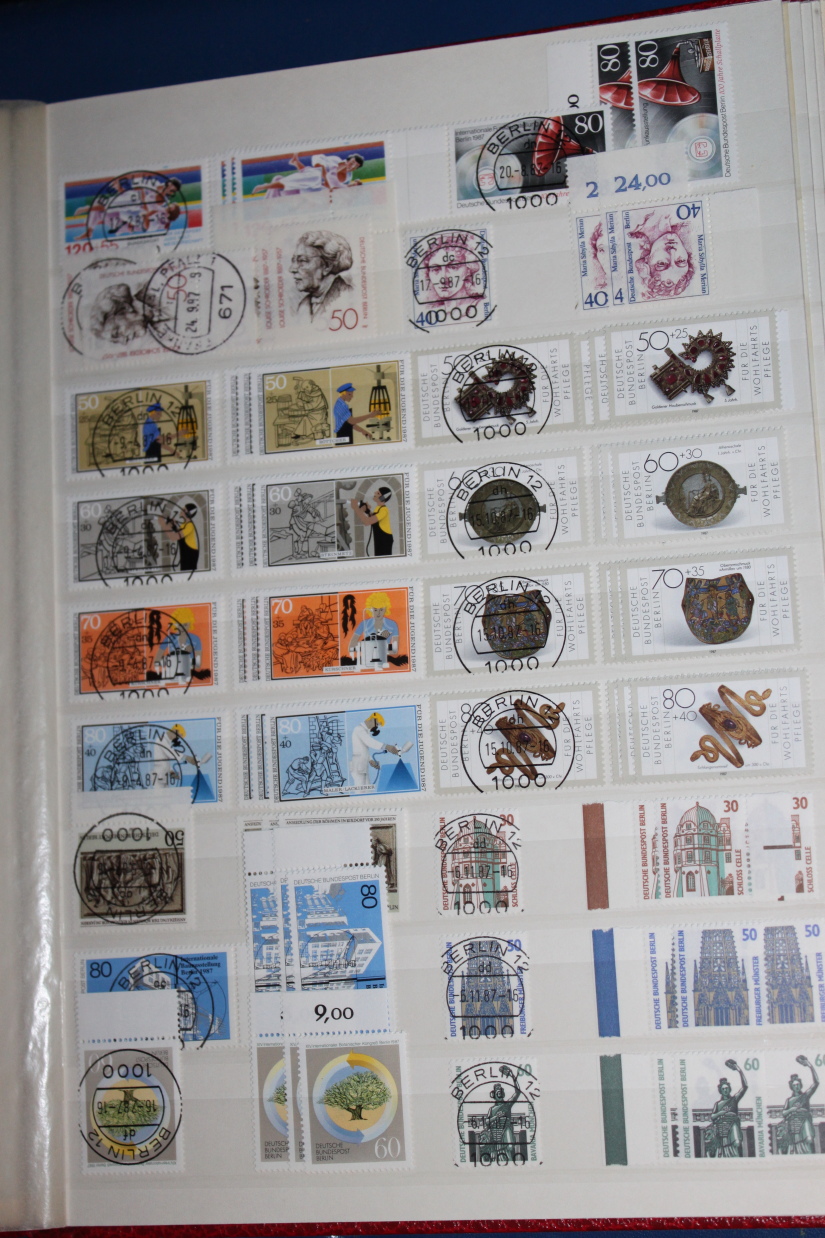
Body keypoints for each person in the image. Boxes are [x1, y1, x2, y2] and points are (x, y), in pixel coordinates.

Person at [628, 208, 696, 300]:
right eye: (680, 261)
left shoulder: (633, 222)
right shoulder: (679, 218)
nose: (672, 251)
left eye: (662, 263)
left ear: (647, 261)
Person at [289, 231, 354, 321]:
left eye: (302, 260)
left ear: (327, 266)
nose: (292, 269)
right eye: (293, 261)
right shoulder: (303, 306)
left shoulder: (348, 297)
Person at [252, 152, 365, 199]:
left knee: (313, 177)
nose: (352, 166)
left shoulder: (347, 177)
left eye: (355, 166)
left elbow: (334, 186)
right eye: (352, 163)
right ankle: (266, 195)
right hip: (315, 177)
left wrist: (352, 185)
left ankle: (295, 163)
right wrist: (323, 170)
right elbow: (318, 162)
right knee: (278, 179)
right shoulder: (336, 160)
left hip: (316, 188)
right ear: (347, 160)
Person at [346, 591, 403, 666]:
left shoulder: (392, 624)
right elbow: (351, 647)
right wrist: (366, 647)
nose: (378, 613)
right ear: (371, 609)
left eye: (381, 609)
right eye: (375, 610)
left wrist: (381, 648)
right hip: (367, 661)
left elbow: (395, 650)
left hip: (385, 661)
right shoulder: (364, 624)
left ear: (386, 609)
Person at [705, 1060, 748, 1157]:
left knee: (735, 1147)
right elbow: (713, 1116)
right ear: (720, 1090)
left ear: (729, 1089)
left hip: (732, 1129)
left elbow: (745, 1086)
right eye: (723, 1089)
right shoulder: (718, 1104)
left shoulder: (734, 1100)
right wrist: (721, 1113)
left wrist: (739, 1070)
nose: (725, 1090)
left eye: (727, 1088)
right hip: (721, 1132)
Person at [777, 1056, 819, 1154]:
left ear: (801, 1085)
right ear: (791, 1086)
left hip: (804, 1123)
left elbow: (816, 1083)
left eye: (798, 1084)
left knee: (808, 1142)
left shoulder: (805, 1096)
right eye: (794, 1085)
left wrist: (810, 1066)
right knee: (794, 1148)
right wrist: (792, 1109)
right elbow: (784, 1113)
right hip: (793, 1126)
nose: (796, 1086)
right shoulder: (789, 1100)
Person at [349, 712, 400, 788]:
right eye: (377, 724)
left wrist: (370, 760)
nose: (376, 727)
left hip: (362, 766)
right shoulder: (359, 729)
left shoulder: (365, 731)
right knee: (360, 791)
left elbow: (362, 750)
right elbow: (370, 742)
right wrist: (387, 746)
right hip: (358, 767)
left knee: (368, 790)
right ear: (373, 719)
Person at [349, 487, 394, 557]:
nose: (375, 493)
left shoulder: (384, 510)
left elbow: (367, 522)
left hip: (384, 540)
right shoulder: (378, 508)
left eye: (378, 493)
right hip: (379, 538)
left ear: (382, 498)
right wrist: (367, 511)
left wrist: (356, 508)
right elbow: (374, 518)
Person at [160, 504, 200, 573]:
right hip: (185, 555)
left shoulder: (190, 525)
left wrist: (163, 524)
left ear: (188, 513)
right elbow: (178, 532)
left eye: (183, 510)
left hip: (190, 556)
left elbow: (174, 537)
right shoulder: (184, 524)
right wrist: (173, 525)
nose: (181, 511)